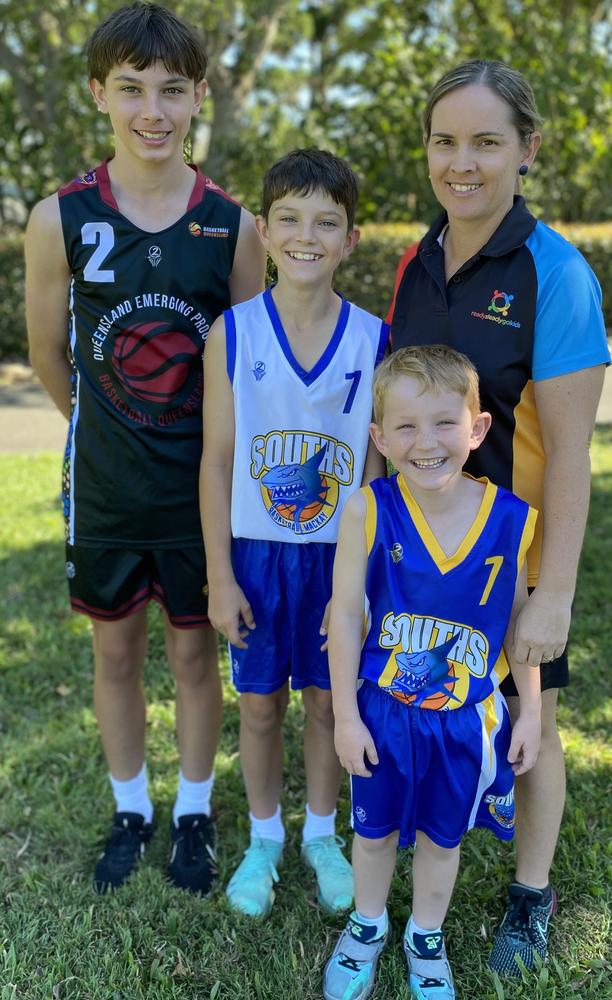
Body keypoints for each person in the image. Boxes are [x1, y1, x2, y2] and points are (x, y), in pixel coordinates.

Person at [24, 2, 266, 895]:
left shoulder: (233, 227)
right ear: (99, 93)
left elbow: (249, 359)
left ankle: (195, 812)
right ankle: (132, 806)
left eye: (171, 89)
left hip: (201, 489)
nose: (151, 111)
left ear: (200, 95)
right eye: (131, 89)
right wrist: (104, 424)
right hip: (107, 486)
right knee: (115, 653)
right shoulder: (59, 218)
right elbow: (49, 352)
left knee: (197, 655)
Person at [387, 60, 610, 974]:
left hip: (508, 565)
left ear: (527, 149)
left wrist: (550, 593)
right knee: (426, 704)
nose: (462, 162)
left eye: (485, 141)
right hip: (418, 557)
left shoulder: (555, 274)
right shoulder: (415, 260)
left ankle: (530, 895)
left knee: (531, 732)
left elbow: (570, 458)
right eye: (446, 141)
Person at [200, 148, 389, 918]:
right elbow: (215, 463)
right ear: (265, 231)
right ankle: (263, 838)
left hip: (338, 560)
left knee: (324, 699)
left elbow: (377, 480)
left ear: (349, 239)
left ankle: (320, 833)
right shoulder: (234, 334)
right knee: (259, 705)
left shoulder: (373, 339)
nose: (307, 235)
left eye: (327, 222)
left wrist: (366, 581)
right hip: (254, 554)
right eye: (290, 219)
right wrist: (219, 575)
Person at [323, 345, 541, 1000]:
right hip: (384, 710)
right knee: (374, 829)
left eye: (445, 423)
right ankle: (366, 925)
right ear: (380, 437)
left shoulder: (511, 520)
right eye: (407, 426)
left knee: (444, 839)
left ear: (477, 430)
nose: (427, 443)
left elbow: (518, 625)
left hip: (464, 721)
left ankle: (425, 933)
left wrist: (529, 710)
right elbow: (347, 618)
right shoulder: (367, 508)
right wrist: (344, 715)